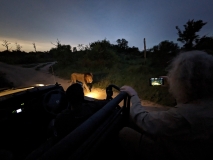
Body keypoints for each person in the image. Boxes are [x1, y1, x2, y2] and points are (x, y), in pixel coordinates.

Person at [119, 50, 213, 160]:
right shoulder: (206, 103)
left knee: (124, 133)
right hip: (191, 149)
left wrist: (134, 96)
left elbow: (143, 120)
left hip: (175, 154)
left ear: (186, 84)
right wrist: (172, 81)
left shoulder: (181, 116)